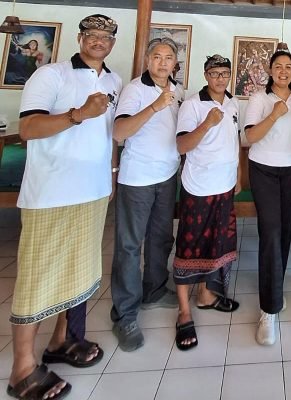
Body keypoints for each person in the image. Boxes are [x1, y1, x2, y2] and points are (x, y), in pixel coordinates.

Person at [8, 14, 121, 400]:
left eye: (105, 36)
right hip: (51, 194)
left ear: (112, 43)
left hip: (93, 191)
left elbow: (108, 136)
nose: (98, 40)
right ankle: (22, 368)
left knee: (78, 270)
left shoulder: (113, 81)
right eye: (92, 34)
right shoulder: (50, 75)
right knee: (37, 277)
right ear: (80, 38)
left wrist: (111, 174)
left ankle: (61, 340)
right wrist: (78, 114)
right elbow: (28, 130)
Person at [110, 37, 185, 352]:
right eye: (157, 56)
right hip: (137, 178)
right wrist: (154, 106)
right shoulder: (135, 89)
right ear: (147, 59)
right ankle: (124, 313)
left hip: (167, 176)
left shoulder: (178, 90)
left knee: (161, 238)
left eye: (168, 57)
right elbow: (119, 132)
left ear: (175, 63)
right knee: (129, 246)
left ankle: (154, 289)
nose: (162, 62)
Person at [173, 54, 241, 351]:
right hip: (198, 187)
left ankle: (205, 295)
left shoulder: (233, 102)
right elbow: (182, 145)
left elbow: (235, 141)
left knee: (216, 244)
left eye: (225, 73)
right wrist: (207, 123)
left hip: (225, 186)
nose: (220, 78)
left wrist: (238, 175)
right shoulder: (192, 105)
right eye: (214, 73)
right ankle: (183, 313)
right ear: (205, 75)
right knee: (190, 247)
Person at [244, 49, 291, 346]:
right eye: (278, 66)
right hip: (264, 170)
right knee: (270, 233)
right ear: (270, 71)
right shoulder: (259, 98)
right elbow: (250, 137)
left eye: (289, 67)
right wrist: (273, 114)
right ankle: (268, 309)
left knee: (284, 233)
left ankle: (275, 289)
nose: (283, 71)